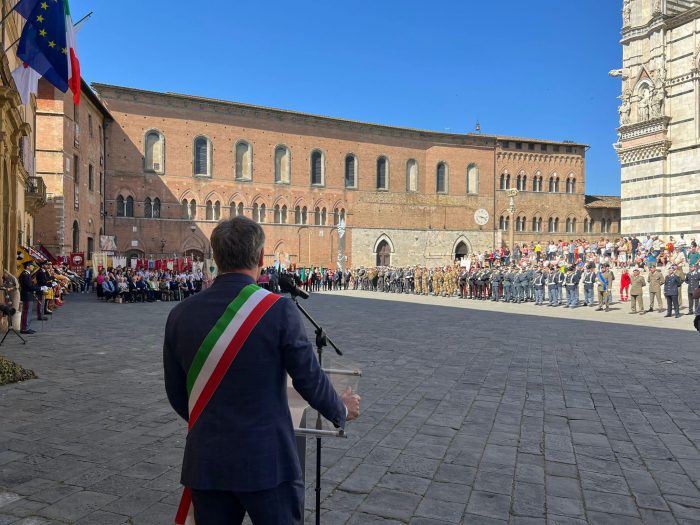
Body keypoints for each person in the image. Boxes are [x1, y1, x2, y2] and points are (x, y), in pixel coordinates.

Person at [163, 217, 360, 525]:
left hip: (208, 460)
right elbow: (309, 379)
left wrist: (215, 424)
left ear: (215, 256)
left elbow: (177, 395)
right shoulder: (278, 310)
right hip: (268, 462)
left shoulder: (180, 314)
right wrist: (341, 409)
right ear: (259, 257)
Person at [19, 261, 41, 334]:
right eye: (31, 265)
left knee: (28, 312)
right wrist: (40, 288)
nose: (33, 267)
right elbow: (29, 286)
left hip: (28, 295)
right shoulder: (25, 275)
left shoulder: (27, 274)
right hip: (27, 295)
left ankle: (27, 327)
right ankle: (24, 329)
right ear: (28, 266)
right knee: (26, 312)